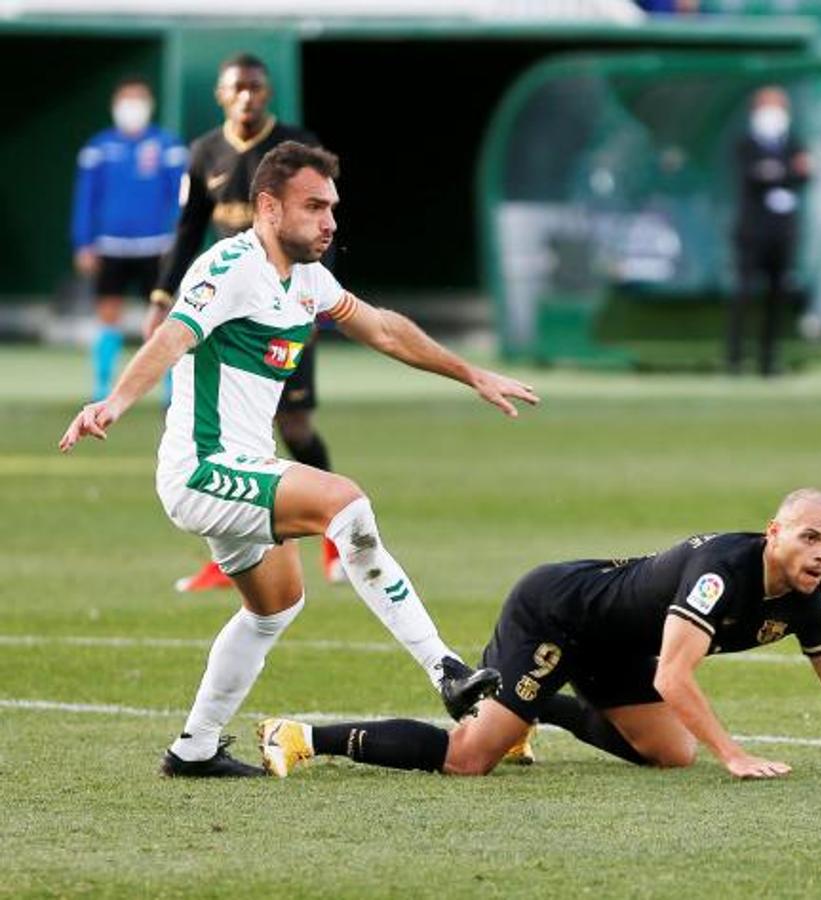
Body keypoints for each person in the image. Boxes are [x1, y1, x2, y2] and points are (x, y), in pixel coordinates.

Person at [60, 141, 540, 777]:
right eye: (314, 206)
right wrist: (114, 403)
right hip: (202, 470)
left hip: (243, 471)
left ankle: (194, 749)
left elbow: (384, 328)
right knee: (345, 502)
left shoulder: (309, 279)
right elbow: (173, 336)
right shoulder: (229, 267)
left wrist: (469, 372)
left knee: (275, 608)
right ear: (267, 207)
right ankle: (444, 668)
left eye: (332, 207)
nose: (330, 222)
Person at [256, 489, 821, 781]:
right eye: (810, 538)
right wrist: (734, 755)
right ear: (775, 533)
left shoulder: (806, 596)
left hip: (615, 645)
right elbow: (674, 677)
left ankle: (528, 711)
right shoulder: (722, 572)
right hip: (557, 612)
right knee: (467, 758)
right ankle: (299, 736)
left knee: (670, 754)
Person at [148, 53, 345, 592]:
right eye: (237, 88)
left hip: (285, 309)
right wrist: (163, 296)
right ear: (220, 94)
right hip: (229, 314)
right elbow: (187, 229)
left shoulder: (293, 149)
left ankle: (335, 542)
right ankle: (228, 554)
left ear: (268, 93)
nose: (247, 97)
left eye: (256, 88)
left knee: (295, 426)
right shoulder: (204, 153)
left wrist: (312, 294)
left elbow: (320, 224)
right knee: (226, 436)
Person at [70, 75, 186, 401]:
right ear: (115, 106)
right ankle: (102, 387)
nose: (132, 108)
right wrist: (83, 243)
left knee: (165, 317)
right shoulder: (98, 148)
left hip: (157, 246)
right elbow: (86, 199)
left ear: (149, 106)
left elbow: (182, 199)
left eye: (139, 100)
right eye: (126, 100)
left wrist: (177, 242)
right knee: (108, 314)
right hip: (110, 246)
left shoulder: (168, 145)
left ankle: (170, 390)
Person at [727, 86, 809, 378]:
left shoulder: (792, 142)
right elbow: (754, 176)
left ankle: (768, 360)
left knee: (776, 298)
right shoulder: (746, 142)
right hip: (752, 231)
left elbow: (804, 174)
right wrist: (785, 172)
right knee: (744, 295)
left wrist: (778, 172)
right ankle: (734, 358)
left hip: (782, 232)